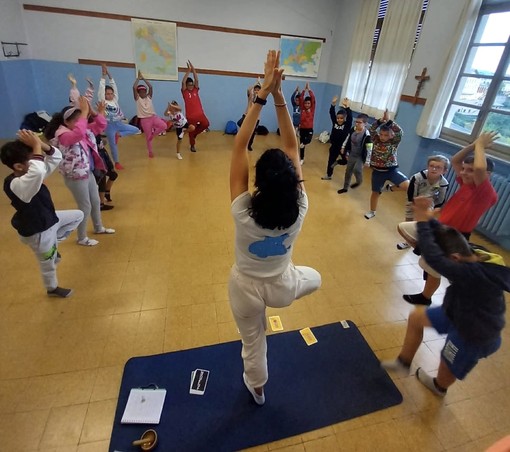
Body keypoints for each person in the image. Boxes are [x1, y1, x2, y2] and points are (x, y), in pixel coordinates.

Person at [228, 50, 321, 406]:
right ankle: (295, 283)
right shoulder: (300, 206)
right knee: (315, 278)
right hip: (282, 286)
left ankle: (259, 387)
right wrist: (280, 96)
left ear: (259, 183)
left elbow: (240, 144)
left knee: (253, 340)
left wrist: (263, 94)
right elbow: (291, 144)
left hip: (246, 289)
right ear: (294, 182)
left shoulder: (243, 211)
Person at [382, 196, 510, 397]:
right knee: (416, 319)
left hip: (476, 334)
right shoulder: (474, 252)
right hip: (457, 312)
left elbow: (434, 257)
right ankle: (403, 363)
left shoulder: (472, 274)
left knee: (447, 363)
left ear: (454, 260)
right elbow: (447, 235)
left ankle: (439, 388)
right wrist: (429, 220)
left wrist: (423, 222)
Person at [398, 132, 499, 305]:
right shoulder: (467, 183)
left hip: (454, 236)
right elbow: (455, 160)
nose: (464, 173)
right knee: (403, 227)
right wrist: (474, 144)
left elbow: (480, 168)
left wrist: (481, 145)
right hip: (439, 228)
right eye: (464, 170)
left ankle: (426, 297)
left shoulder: (484, 192)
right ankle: (439, 259)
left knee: (433, 269)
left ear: (487, 175)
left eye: (470, 170)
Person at [1, 130, 84, 298]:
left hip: (49, 219)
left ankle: (54, 244)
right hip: (38, 230)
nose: (38, 159)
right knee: (48, 264)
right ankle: (52, 288)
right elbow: (38, 171)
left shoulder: (30, 173)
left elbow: (56, 157)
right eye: (33, 158)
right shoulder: (17, 184)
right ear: (18, 166)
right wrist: (36, 147)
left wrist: (40, 144)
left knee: (78, 216)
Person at [44, 96, 115, 246]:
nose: (81, 123)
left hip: (86, 172)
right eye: (76, 121)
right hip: (75, 176)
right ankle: (81, 237)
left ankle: (98, 227)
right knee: (85, 206)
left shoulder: (83, 130)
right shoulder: (63, 135)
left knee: (95, 201)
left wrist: (95, 112)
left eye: (81, 119)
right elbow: (77, 134)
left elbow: (101, 125)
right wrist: (83, 112)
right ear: (66, 123)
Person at [396, 155, 449, 249]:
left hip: (428, 205)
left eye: (438, 167)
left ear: (444, 171)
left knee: (421, 223)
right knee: (409, 221)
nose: (434, 169)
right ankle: (408, 241)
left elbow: (441, 199)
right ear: (427, 166)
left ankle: (418, 241)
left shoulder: (443, 183)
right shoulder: (417, 177)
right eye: (431, 166)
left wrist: (434, 209)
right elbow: (411, 194)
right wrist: (416, 206)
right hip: (413, 203)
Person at [364, 110, 408, 219]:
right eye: (381, 134)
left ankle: (390, 188)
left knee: (408, 185)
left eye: (386, 135)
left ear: (391, 136)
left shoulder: (394, 142)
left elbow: (400, 132)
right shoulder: (376, 140)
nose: (383, 137)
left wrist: (389, 121)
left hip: (391, 170)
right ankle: (372, 211)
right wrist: (380, 121)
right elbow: (371, 129)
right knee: (375, 193)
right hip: (378, 172)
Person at [99, 64, 140, 170]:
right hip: (109, 126)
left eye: (111, 93)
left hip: (119, 124)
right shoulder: (103, 101)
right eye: (107, 94)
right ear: (104, 95)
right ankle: (117, 162)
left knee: (136, 129)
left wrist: (109, 74)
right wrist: (103, 76)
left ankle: (119, 135)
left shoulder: (114, 100)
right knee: (113, 146)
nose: (110, 95)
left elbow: (114, 85)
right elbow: (101, 88)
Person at [132, 70, 167, 158]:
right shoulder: (138, 99)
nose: (143, 93)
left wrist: (143, 78)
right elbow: (133, 87)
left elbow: (150, 87)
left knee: (164, 126)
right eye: (141, 92)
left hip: (153, 117)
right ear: (138, 93)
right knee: (148, 138)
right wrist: (138, 79)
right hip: (144, 120)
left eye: (144, 91)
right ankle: (150, 152)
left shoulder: (149, 97)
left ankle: (153, 135)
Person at [336, 113, 372, 194]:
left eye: (359, 122)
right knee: (348, 171)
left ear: (365, 124)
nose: (357, 124)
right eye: (356, 122)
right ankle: (345, 188)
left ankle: (359, 181)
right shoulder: (353, 129)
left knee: (357, 169)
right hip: (352, 153)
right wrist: (343, 147)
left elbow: (369, 149)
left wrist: (367, 161)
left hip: (360, 156)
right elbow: (347, 138)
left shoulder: (367, 135)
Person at [181, 60, 210, 152]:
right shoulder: (185, 92)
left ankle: (195, 134)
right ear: (186, 85)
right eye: (189, 85)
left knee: (206, 124)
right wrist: (188, 70)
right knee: (191, 131)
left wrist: (193, 69)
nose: (191, 86)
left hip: (200, 114)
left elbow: (196, 79)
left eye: (192, 85)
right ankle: (192, 145)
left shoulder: (195, 90)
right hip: (191, 116)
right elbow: (183, 82)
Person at [321, 96, 352, 181]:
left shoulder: (347, 125)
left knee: (346, 161)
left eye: (341, 118)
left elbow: (350, 117)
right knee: (330, 161)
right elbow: (331, 113)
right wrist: (333, 104)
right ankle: (329, 175)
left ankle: (337, 162)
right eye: (338, 118)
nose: (339, 120)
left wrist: (347, 107)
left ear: (344, 118)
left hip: (343, 147)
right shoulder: (335, 122)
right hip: (334, 146)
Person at [237, 79, 262, 151]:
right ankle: (241, 143)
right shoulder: (250, 97)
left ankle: (249, 145)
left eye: (258, 90)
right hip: (247, 115)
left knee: (252, 132)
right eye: (255, 90)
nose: (256, 91)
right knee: (241, 125)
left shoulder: (260, 99)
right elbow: (249, 89)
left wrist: (260, 83)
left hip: (256, 118)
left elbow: (264, 90)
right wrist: (255, 84)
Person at [95, 134, 118, 210]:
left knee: (113, 174)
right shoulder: (89, 134)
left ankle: (107, 192)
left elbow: (102, 147)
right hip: (97, 159)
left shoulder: (96, 134)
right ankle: (101, 203)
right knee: (102, 179)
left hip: (103, 157)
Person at [298, 82, 315, 165]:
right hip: (302, 129)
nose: (307, 105)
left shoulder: (312, 109)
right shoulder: (302, 108)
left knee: (308, 140)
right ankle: (301, 158)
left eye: (308, 103)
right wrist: (304, 90)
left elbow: (313, 99)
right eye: (305, 103)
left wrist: (309, 90)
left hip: (309, 129)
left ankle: (304, 143)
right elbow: (301, 98)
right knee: (301, 146)